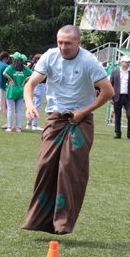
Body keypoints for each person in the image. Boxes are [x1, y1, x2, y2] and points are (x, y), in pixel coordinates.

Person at [21, 25, 112, 235]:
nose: (63, 47)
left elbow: (108, 92)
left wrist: (83, 112)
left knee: (68, 168)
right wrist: (30, 105)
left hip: (80, 120)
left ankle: (61, 223)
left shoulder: (89, 61)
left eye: (68, 43)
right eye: (60, 42)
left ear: (78, 42)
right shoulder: (50, 57)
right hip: (55, 117)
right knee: (45, 164)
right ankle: (38, 220)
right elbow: (30, 84)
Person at [109, 55, 130, 140]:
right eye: (126, 62)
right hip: (117, 97)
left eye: (129, 62)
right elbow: (111, 85)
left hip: (128, 97)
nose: (128, 63)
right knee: (117, 116)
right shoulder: (115, 72)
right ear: (122, 62)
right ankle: (118, 134)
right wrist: (110, 97)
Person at [3, 52, 29, 131]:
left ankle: (9, 127)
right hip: (21, 91)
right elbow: (33, 74)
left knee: (10, 109)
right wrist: (24, 81)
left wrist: (10, 79)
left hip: (11, 91)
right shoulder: (24, 68)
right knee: (20, 110)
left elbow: (4, 73)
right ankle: (18, 127)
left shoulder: (11, 67)